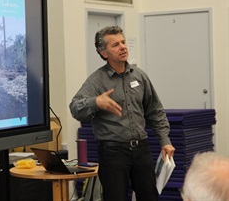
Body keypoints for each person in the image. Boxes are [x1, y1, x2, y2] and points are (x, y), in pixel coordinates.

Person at [69, 26, 175, 201]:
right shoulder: (96, 81)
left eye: (123, 42)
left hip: (142, 149)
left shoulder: (139, 76)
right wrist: (95, 102)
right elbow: (75, 107)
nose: (123, 47)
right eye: (116, 45)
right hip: (113, 153)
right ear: (104, 53)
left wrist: (165, 140)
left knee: (150, 197)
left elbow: (155, 110)